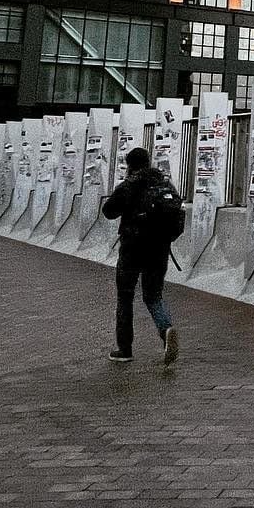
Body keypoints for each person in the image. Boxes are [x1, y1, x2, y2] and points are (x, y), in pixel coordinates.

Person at [101, 147, 181, 364]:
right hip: (159, 248)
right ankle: (166, 330)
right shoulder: (164, 184)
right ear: (148, 162)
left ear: (130, 165)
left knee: (125, 297)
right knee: (153, 295)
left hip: (132, 248)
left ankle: (124, 349)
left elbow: (109, 211)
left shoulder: (129, 185)